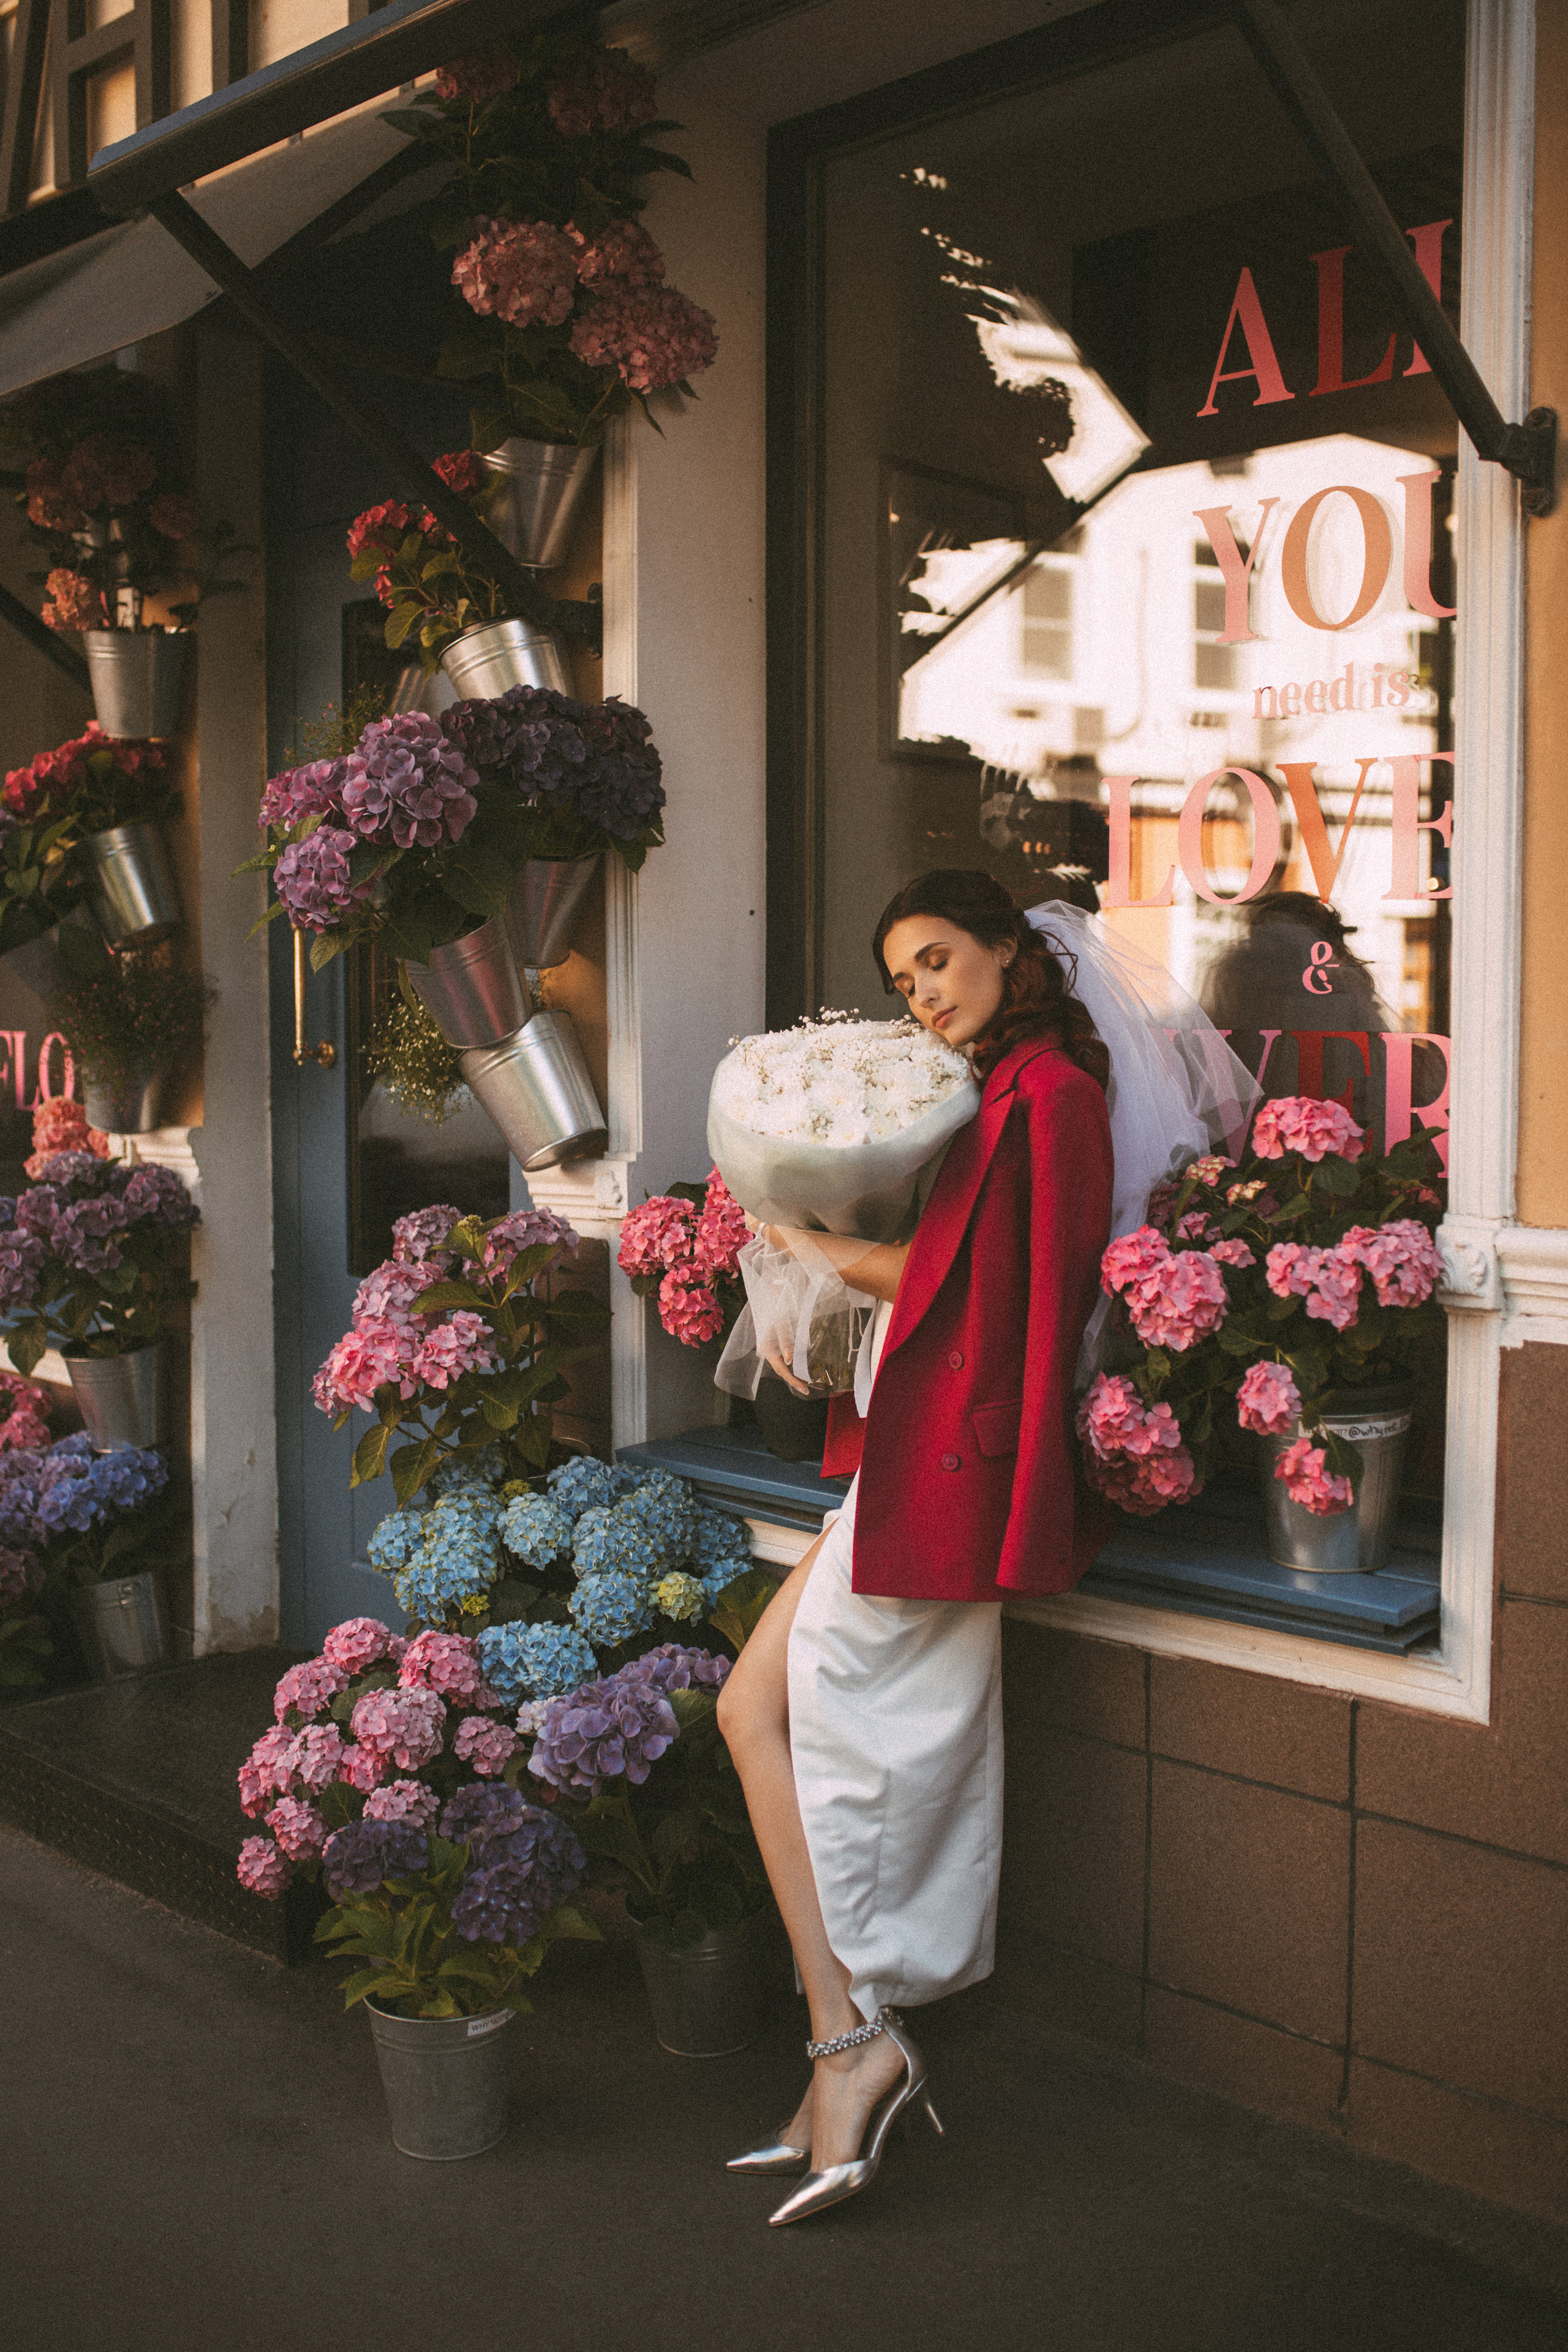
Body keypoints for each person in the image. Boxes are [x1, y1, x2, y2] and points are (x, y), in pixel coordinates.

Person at [716, 867, 1116, 2227]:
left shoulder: (1051, 1096)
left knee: (796, 1728)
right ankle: (846, 2040)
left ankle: (849, 2047)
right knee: (749, 1708)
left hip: (953, 1471)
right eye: (902, 980)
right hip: (896, 1458)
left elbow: (996, 1294)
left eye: (939, 961)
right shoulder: (975, 1096)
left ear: (1011, 952)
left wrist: (794, 1233)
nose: (923, 996)